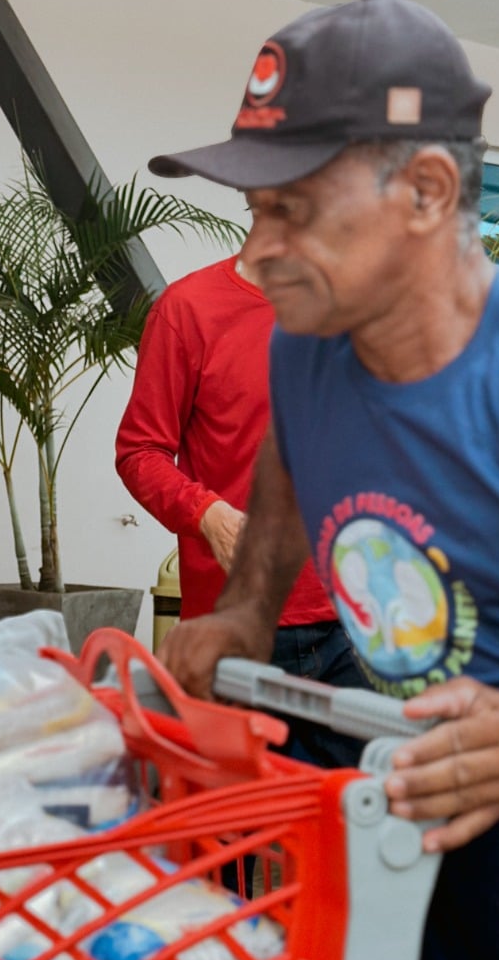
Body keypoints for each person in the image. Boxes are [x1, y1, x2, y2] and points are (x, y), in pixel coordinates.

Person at [148, 0, 499, 960]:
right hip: (463, 924)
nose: (258, 251)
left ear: (426, 190)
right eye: (253, 212)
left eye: (291, 209)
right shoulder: (318, 352)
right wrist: (250, 604)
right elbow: (284, 462)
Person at [115, 252, 366, 767]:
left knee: (382, 809)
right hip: (235, 637)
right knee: (235, 818)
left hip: (355, 627)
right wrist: (209, 515)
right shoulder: (189, 308)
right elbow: (140, 452)